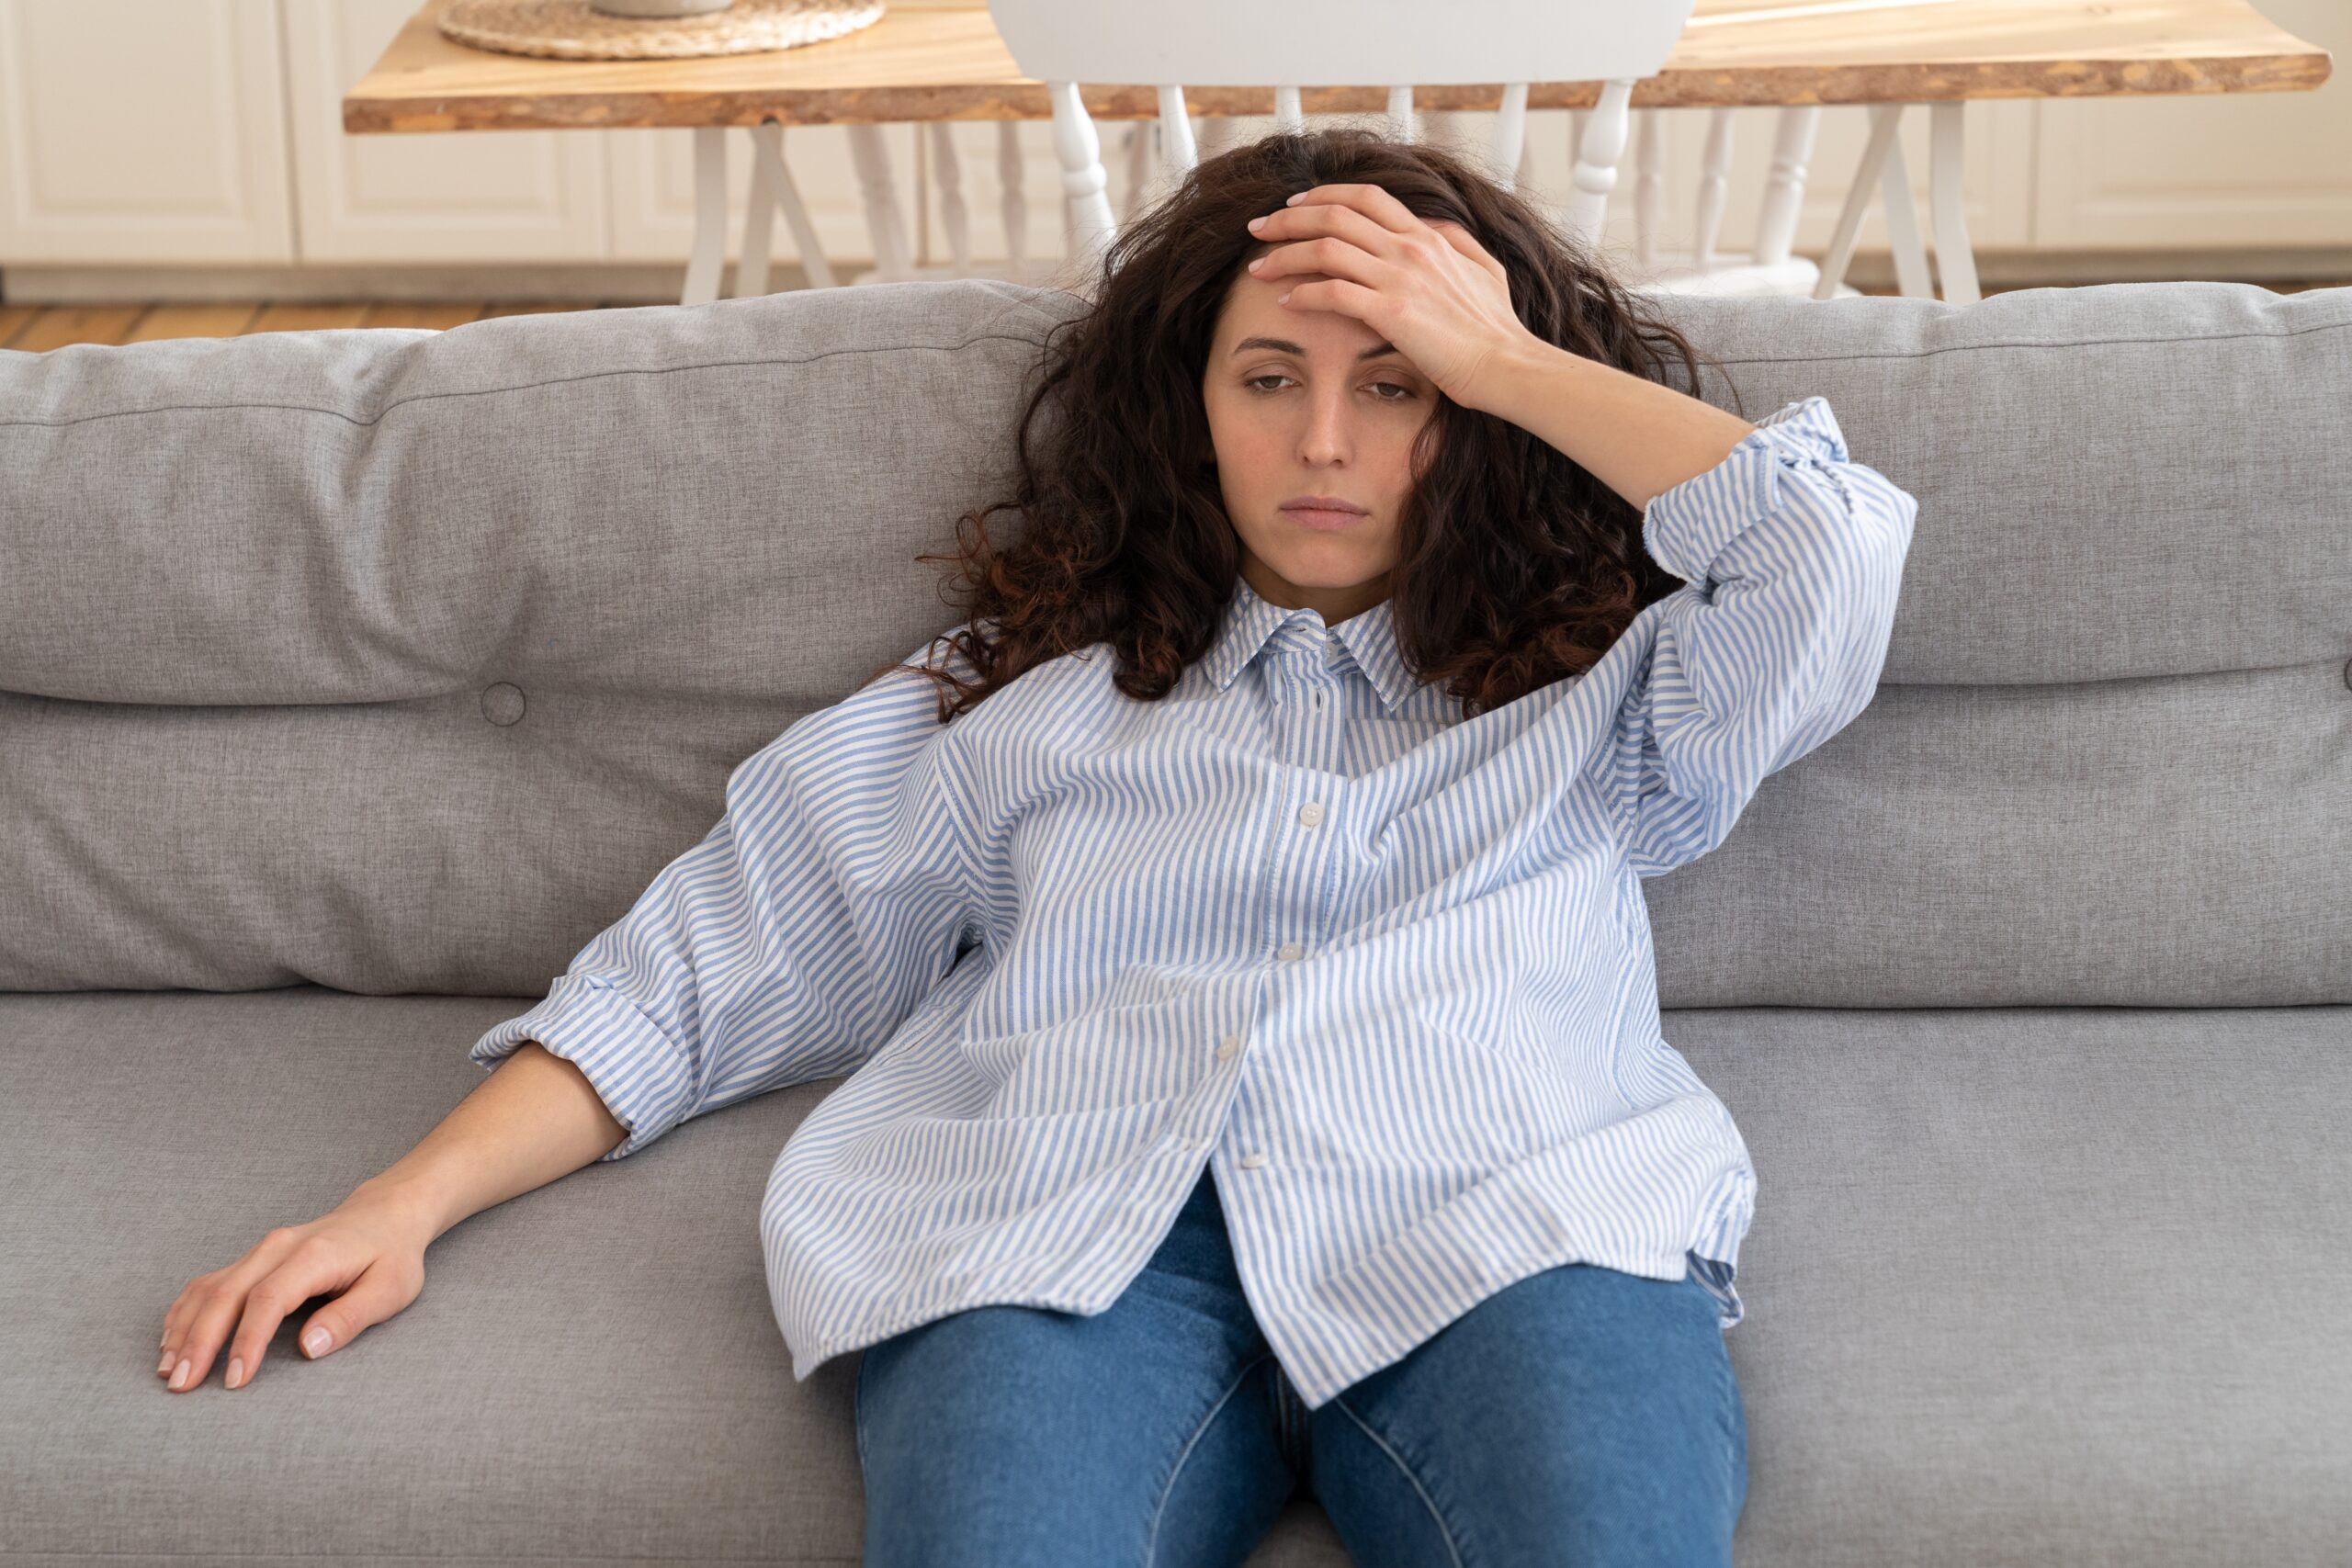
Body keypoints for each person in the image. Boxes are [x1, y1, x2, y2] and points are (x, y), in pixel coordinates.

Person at [157, 126, 1917, 1568]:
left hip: (1517, 1230)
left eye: (1394, 387)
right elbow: (706, 969)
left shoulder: (1615, 697)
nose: (1323, 441)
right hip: (1064, 1246)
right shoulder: (1015, 703)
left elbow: (1825, 550)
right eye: (1270, 377)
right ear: (1187, 408)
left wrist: (1507, 358)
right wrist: (398, 1206)